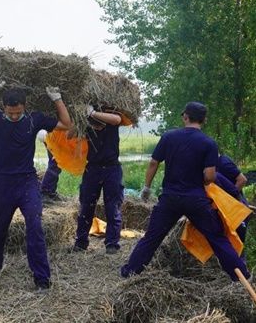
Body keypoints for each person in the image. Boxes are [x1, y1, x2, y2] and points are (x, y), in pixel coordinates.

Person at [0, 81, 72, 291]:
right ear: (4, 107)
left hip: (27, 182)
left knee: (35, 226)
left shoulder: (34, 119)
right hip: (2, 182)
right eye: (10, 112)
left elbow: (66, 124)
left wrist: (57, 99)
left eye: (18, 112)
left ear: (25, 106)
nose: (14, 116)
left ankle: (42, 280)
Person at [122, 102, 250, 281]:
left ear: (185, 117)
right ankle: (241, 277)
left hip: (170, 199)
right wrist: (202, 180)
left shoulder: (169, 137)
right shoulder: (209, 143)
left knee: (152, 237)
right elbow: (210, 176)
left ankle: (130, 272)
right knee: (218, 239)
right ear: (204, 120)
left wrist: (146, 188)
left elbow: (153, 163)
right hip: (196, 200)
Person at [70, 105, 124, 255]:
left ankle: (112, 243)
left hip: (112, 169)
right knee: (86, 206)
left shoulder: (111, 122)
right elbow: (70, 135)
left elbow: (117, 119)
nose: (97, 124)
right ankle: (81, 242)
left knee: (112, 207)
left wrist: (93, 113)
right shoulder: (88, 127)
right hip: (92, 169)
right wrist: (80, 119)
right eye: (94, 121)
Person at [37, 130, 63, 203]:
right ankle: (44, 192)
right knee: (55, 164)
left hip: (54, 135)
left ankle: (51, 192)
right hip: (51, 134)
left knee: (57, 164)